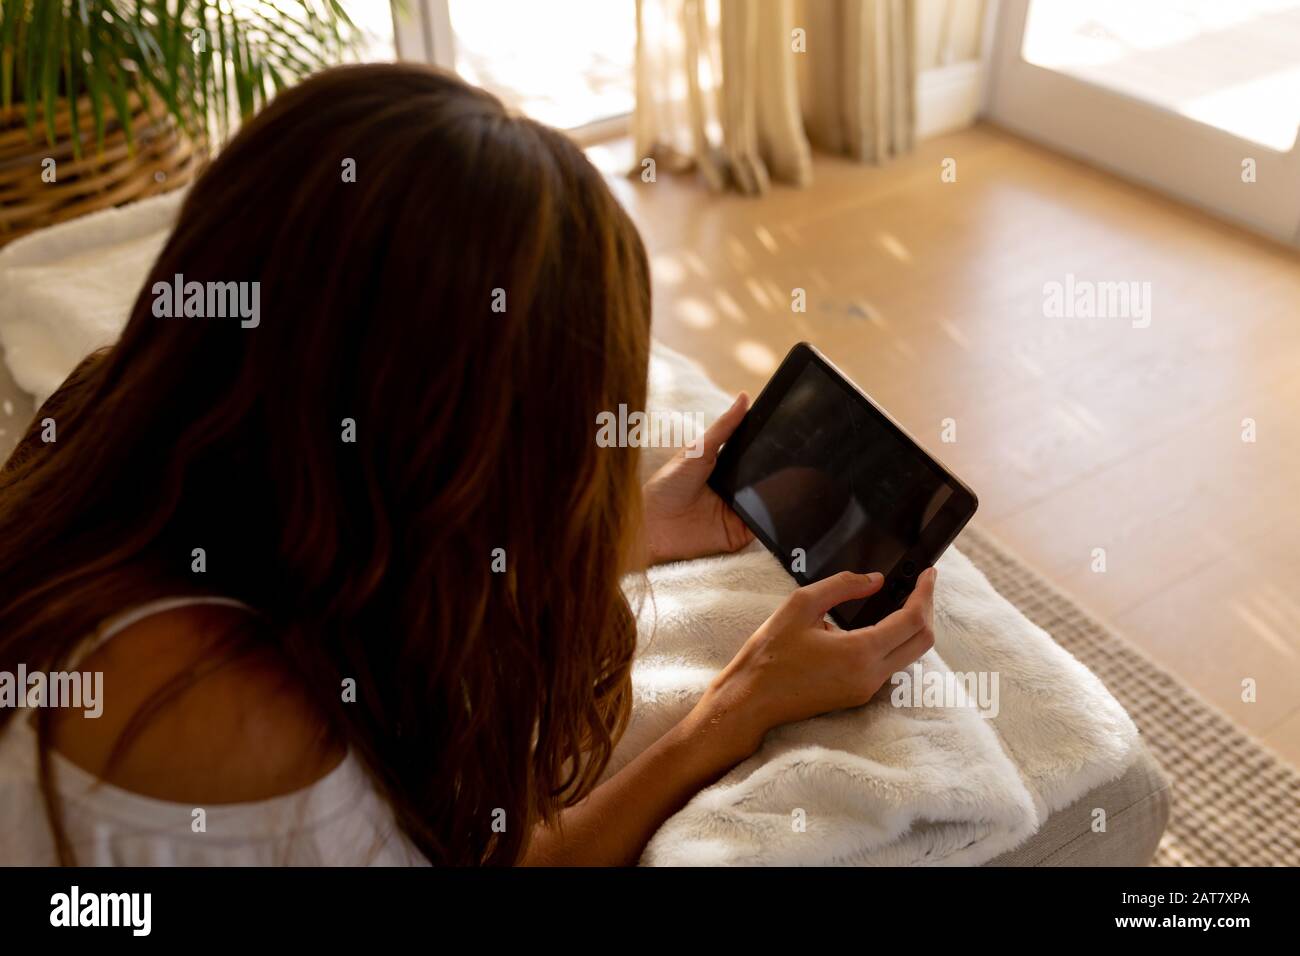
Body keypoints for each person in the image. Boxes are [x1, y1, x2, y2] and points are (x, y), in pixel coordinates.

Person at [0, 63, 935, 866]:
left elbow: (365, 563)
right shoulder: (238, 728)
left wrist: (612, 535)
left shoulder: (119, 432)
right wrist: (733, 710)